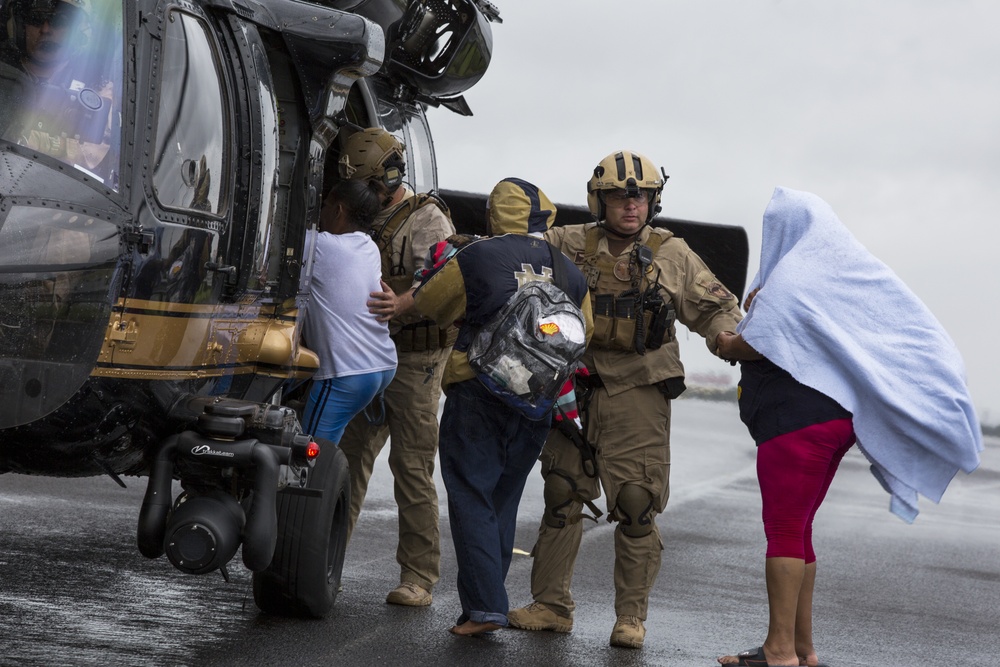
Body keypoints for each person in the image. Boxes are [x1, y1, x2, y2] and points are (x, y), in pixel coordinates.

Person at [714, 186, 982, 667]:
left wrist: (723, 342)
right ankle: (802, 648)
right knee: (799, 530)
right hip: (836, 423)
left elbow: (758, 343)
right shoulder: (840, 272)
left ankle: (778, 650)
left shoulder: (792, 279)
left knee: (782, 529)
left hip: (792, 423)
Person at [507, 150, 743, 649]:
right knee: (562, 494)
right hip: (574, 385)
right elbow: (510, 258)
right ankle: (551, 605)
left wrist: (728, 340)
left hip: (639, 389)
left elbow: (716, 306)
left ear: (653, 201)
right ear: (601, 200)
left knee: (636, 503)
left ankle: (630, 618)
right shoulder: (568, 243)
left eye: (640, 196)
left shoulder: (672, 253)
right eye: (619, 196)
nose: (630, 205)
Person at [412, 178, 593, 637]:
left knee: (471, 494)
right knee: (501, 500)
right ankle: (485, 600)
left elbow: (430, 303)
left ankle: (485, 609)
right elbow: (583, 332)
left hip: (477, 390)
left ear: (494, 215)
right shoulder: (570, 271)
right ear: (544, 218)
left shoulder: (477, 256)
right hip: (536, 402)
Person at [335, 127, 456, 607]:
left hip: (416, 359)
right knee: (344, 460)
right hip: (366, 353)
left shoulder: (427, 219)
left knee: (411, 466)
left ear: (387, 178)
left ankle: (419, 577)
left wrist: (402, 303)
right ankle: (325, 558)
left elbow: (447, 282)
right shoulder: (358, 215)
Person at [300, 178, 397, 448]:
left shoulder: (319, 246)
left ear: (338, 210)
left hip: (347, 374)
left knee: (309, 456)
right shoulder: (368, 247)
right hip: (382, 364)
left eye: (325, 205)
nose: (321, 213)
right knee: (327, 446)